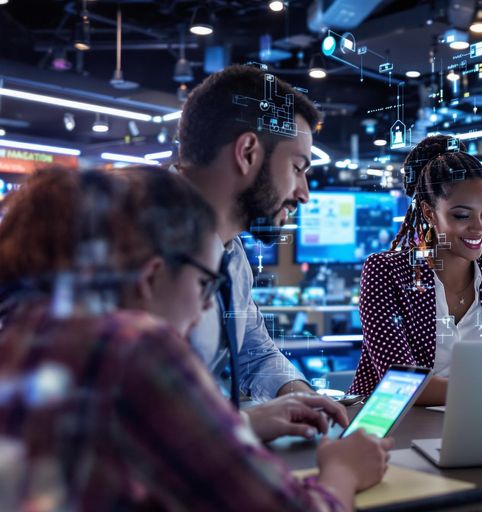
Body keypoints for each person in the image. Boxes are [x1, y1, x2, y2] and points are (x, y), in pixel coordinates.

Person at [0, 167, 391, 511]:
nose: (207, 306)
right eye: (206, 283)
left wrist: (238, 424)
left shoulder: (27, 330)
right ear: (152, 276)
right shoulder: (134, 346)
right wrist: (343, 470)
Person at [176, 64, 328, 423]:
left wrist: (303, 400)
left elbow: (255, 354)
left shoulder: (232, 255)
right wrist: (246, 425)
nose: (304, 193)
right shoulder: (133, 240)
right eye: (297, 168)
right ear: (247, 153)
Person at [351, 135, 482, 404]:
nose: (479, 227)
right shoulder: (386, 272)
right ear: (428, 213)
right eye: (462, 215)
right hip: (397, 421)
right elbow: (399, 382)